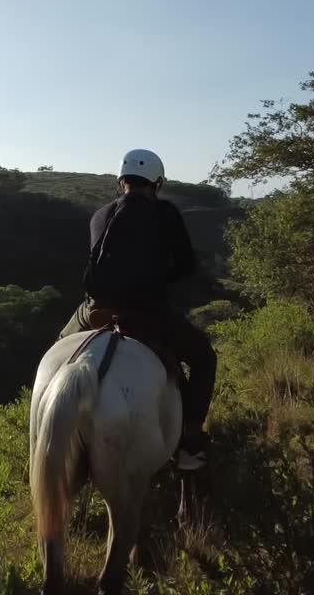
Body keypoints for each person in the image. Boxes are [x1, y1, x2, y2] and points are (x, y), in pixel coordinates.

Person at [57, 148, 217, 470]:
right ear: (156, 184)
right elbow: (186, 266)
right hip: (147, 313)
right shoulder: (167, 213)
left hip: (96, 310)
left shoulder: (99, 215)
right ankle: (189, 442)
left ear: (121, 182)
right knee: (204, 358)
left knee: (60, 348)